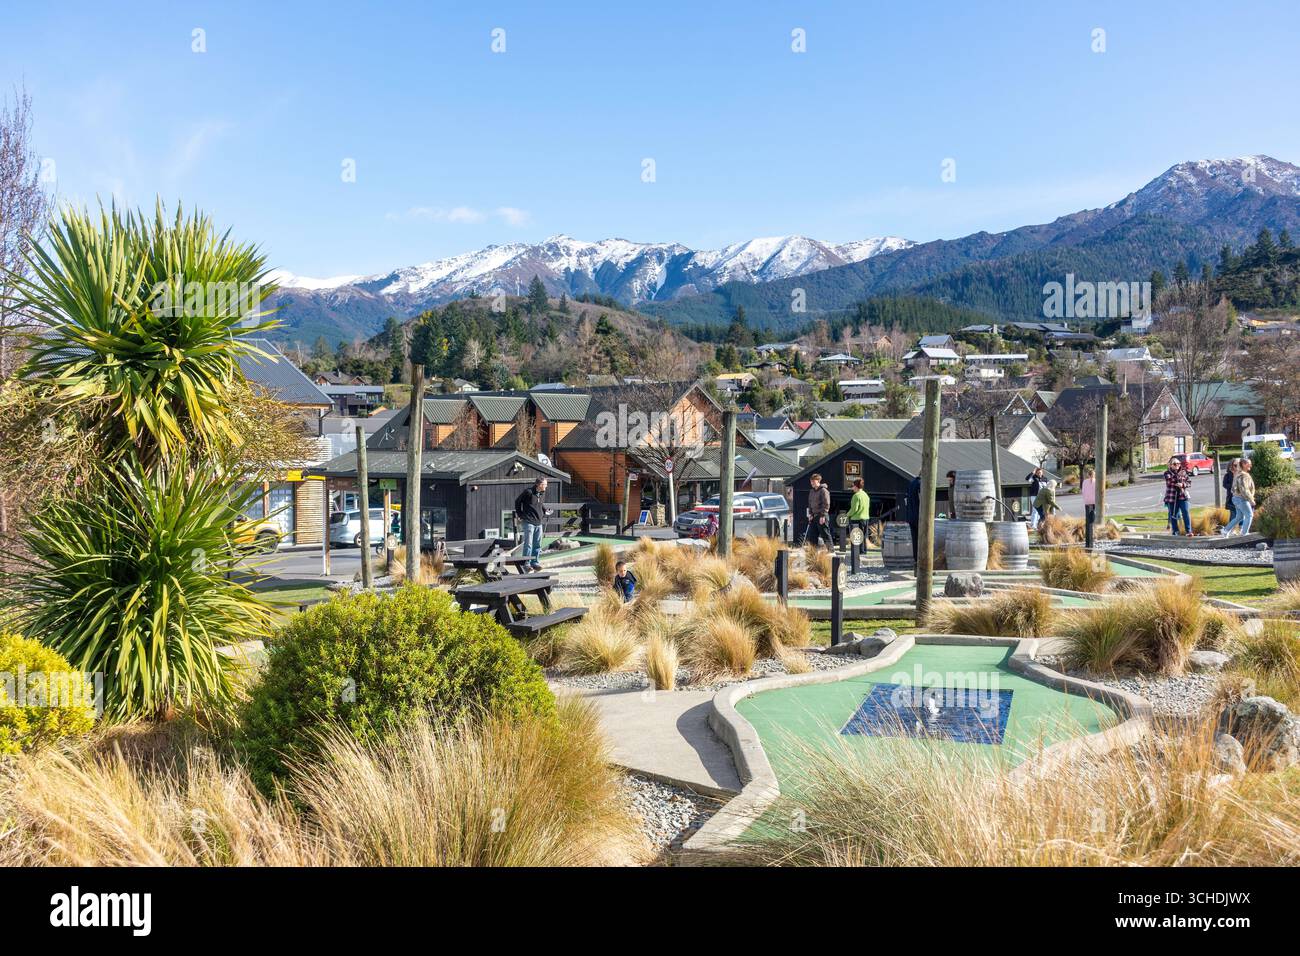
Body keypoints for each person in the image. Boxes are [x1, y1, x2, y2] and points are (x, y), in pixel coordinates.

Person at [513, 477, 551, 572]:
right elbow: (517, 502)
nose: (546, 486)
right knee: (528, 544)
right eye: (545, 484)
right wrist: (520, 514)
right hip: (528, 521)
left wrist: (545, 510)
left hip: (538, 522)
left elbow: (540, 504)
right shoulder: (528, 492)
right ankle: (526, 564)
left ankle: (535, 563)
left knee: (537, 544)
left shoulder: (542, 493)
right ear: (539, 484)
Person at [1222, 459, 1256, 536]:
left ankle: (1225, 530)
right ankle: (1244, 533)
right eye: (1248, 464)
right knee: (1249, 515)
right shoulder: (1243, 475)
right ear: (1243, 464)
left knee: (1239, 516)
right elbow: (1244, 489)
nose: (1250, 465)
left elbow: (1233, 489)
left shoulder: (1238, 474)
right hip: (1242, 499)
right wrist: (1251, 500)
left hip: (1236, 498)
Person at [1163, 457, 1191, 536]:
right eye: (1175, 464)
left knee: (1185, 513)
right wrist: (1178, 477)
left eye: (1178, 463)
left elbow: (1189, 482)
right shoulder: (1167, 473)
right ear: (1170, 465)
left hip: (1182, 496)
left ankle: (1188, 531)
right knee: (1173, 514)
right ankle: (1175, 531)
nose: (1177, 465)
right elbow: (1169, 481)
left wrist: (1182, 484)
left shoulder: (1183, 472)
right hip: (1171, 497)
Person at [806, 473, 832, 548]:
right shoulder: (811, 491)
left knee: (825, 534)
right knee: (812, 536)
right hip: (814, 516)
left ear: (818, 481)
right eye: (811, 482)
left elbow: (826, 504)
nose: (812, 483)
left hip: (822, 515)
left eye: (813, 482)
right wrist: (810, 514)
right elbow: (810, 503)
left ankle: (830, 551)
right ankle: (813, 552)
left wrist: (823, 515)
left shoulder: (824, 491)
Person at [847, 478, 870, 543]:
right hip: (866, 518)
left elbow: (854, 509)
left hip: (856, 519)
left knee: (856, 539)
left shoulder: (856, 496)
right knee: (864, 537)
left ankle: (858, 552)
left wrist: (847, 515)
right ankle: (863, 551)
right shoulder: (865, 495)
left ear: (856, 486)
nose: (852, 488)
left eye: (853, 486)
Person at [904, 473, 921, 561]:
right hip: (920, 516)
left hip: (911, 516)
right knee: (922, 539)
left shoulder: (911, 484)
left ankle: (916, 559)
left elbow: (906, 501)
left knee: (915, 539)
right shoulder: (921, 484)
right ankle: (921, 559)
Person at [1081, 466, 1097, 548]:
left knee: (1088, 518)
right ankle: (1092, 534)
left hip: (1087, 501)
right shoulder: (1096, 481)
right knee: (1093, 518)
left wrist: (1085, 498)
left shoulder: (1084, 482)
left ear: (1088, 474)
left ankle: (1089, 535)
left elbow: (1083, 491)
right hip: (1094, 501)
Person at [1222, 458, 1239, 527]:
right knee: (1233, 514)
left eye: (1238, 465)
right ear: (1231, 466)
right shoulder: (1227, 475)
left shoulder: (1241, 474)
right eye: (1235, 465)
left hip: (1240, 497)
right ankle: (1230, 529)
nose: (1237, 467)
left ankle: (1241, 529)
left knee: (1242, 514)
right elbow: (1225, 485)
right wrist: (1232, 485)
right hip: (1231, 498)